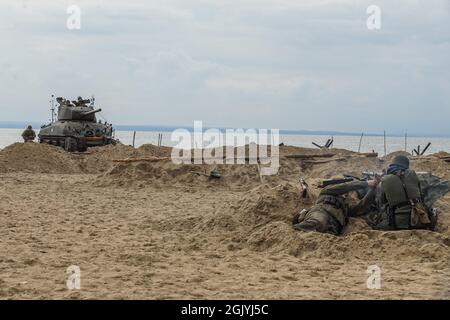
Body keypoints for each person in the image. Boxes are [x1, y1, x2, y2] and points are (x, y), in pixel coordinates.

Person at [292, 178, 380, 235]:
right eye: (345, 192)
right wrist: (366, 183)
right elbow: (346, 186)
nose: (346, 194)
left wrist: (373, 189)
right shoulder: (327, 191)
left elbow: (362, 206)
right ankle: (294, 230)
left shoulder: (344, 207)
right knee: (317, 223)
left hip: (334, 226)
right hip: (321, 213)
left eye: (347, 194)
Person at [372, 155, 437, 230]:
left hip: (398, 222)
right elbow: (420, 195)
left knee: (374, 220)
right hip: (419, 218)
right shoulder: (412, 174)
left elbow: (382, 202)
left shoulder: (385, 179)